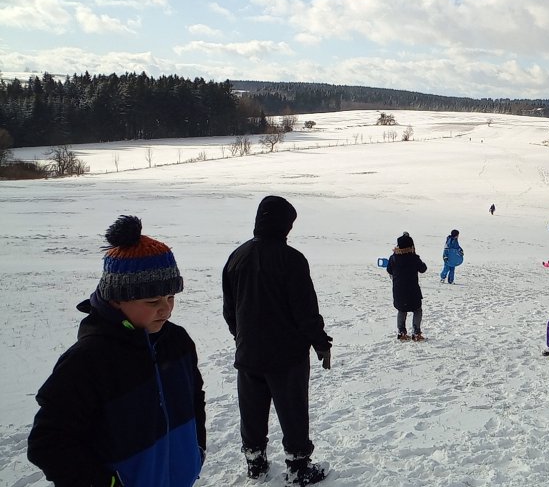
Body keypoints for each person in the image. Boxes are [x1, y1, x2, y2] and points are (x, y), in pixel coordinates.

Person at [28, 215, 206, 487]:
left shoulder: (177, 341)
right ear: (116, 299)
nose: (166, 309)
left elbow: (194, 397)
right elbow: (48, 441)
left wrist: (197, 449)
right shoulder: (89, 360)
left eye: (171, 297)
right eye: (152, 300)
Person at [222, 196, 331, 485]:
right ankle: (298, 467)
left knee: (252, 410)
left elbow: (229, 310)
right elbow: (305, 310)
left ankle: (255, 461)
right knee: (292, 409)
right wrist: (320, 342)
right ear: (284, 224)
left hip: (248, 353)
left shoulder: (236, 256)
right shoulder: (291, 259)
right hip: (287, 356)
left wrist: (242, 337)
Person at [387, 232, 428, 340]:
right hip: (412, 290)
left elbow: (389, 270)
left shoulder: (393, 258)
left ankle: (401, 333)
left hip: (398, 290)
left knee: (401, 310)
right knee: (417, 310)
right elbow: (423, 269)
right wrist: (415, 255)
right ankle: (416, 333)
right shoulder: (413, 258)